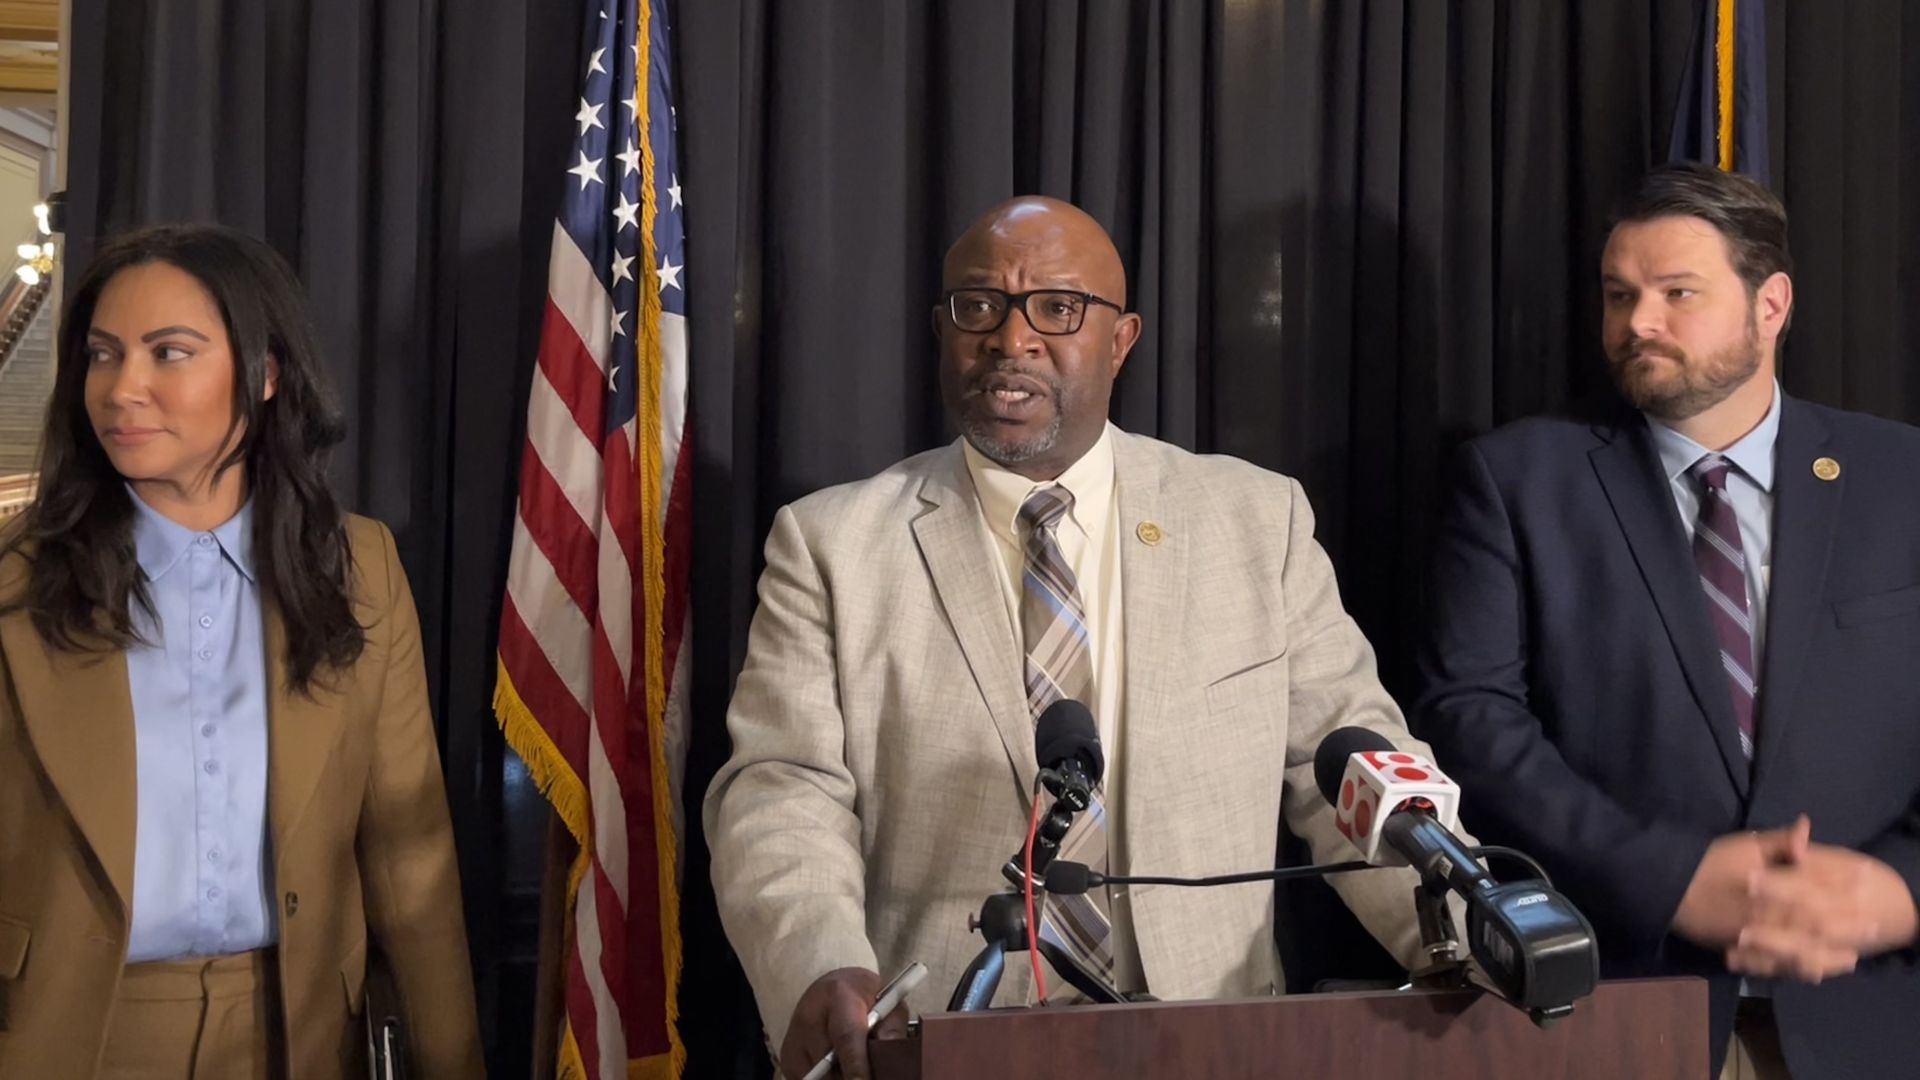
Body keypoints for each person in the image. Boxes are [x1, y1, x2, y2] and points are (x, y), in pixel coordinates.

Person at [705, 196, 1464, 1079]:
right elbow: (783, 790)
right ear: (943, 330)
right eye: (978, 306)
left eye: (1057, 309)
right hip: (942, 1044)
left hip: (1214, 1045)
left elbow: (1353, 770)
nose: (1011, 340)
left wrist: (1468, 929)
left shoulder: (1256, 521)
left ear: (1121, 340)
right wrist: (819, 963)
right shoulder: (831, 544)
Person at [1415, 162, 1920, 1080]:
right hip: (1625, 1011)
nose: (1638, 322)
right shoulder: (1519, 481)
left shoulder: (1902, 480)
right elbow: (1471, 721)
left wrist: (1902, 889)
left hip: (1875, 1015)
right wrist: (1666, 877)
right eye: (1620, 295)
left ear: (1772, 304)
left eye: (1677, 293)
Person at [0, 224, 485, 1077]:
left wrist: (452, 1060)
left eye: (168, 353)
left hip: (300, 1035)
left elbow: (410, 866)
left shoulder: (360, 569)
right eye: (104, 355)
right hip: (63, 1036)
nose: (122, 388)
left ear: (265, 375)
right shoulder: (15, 582)